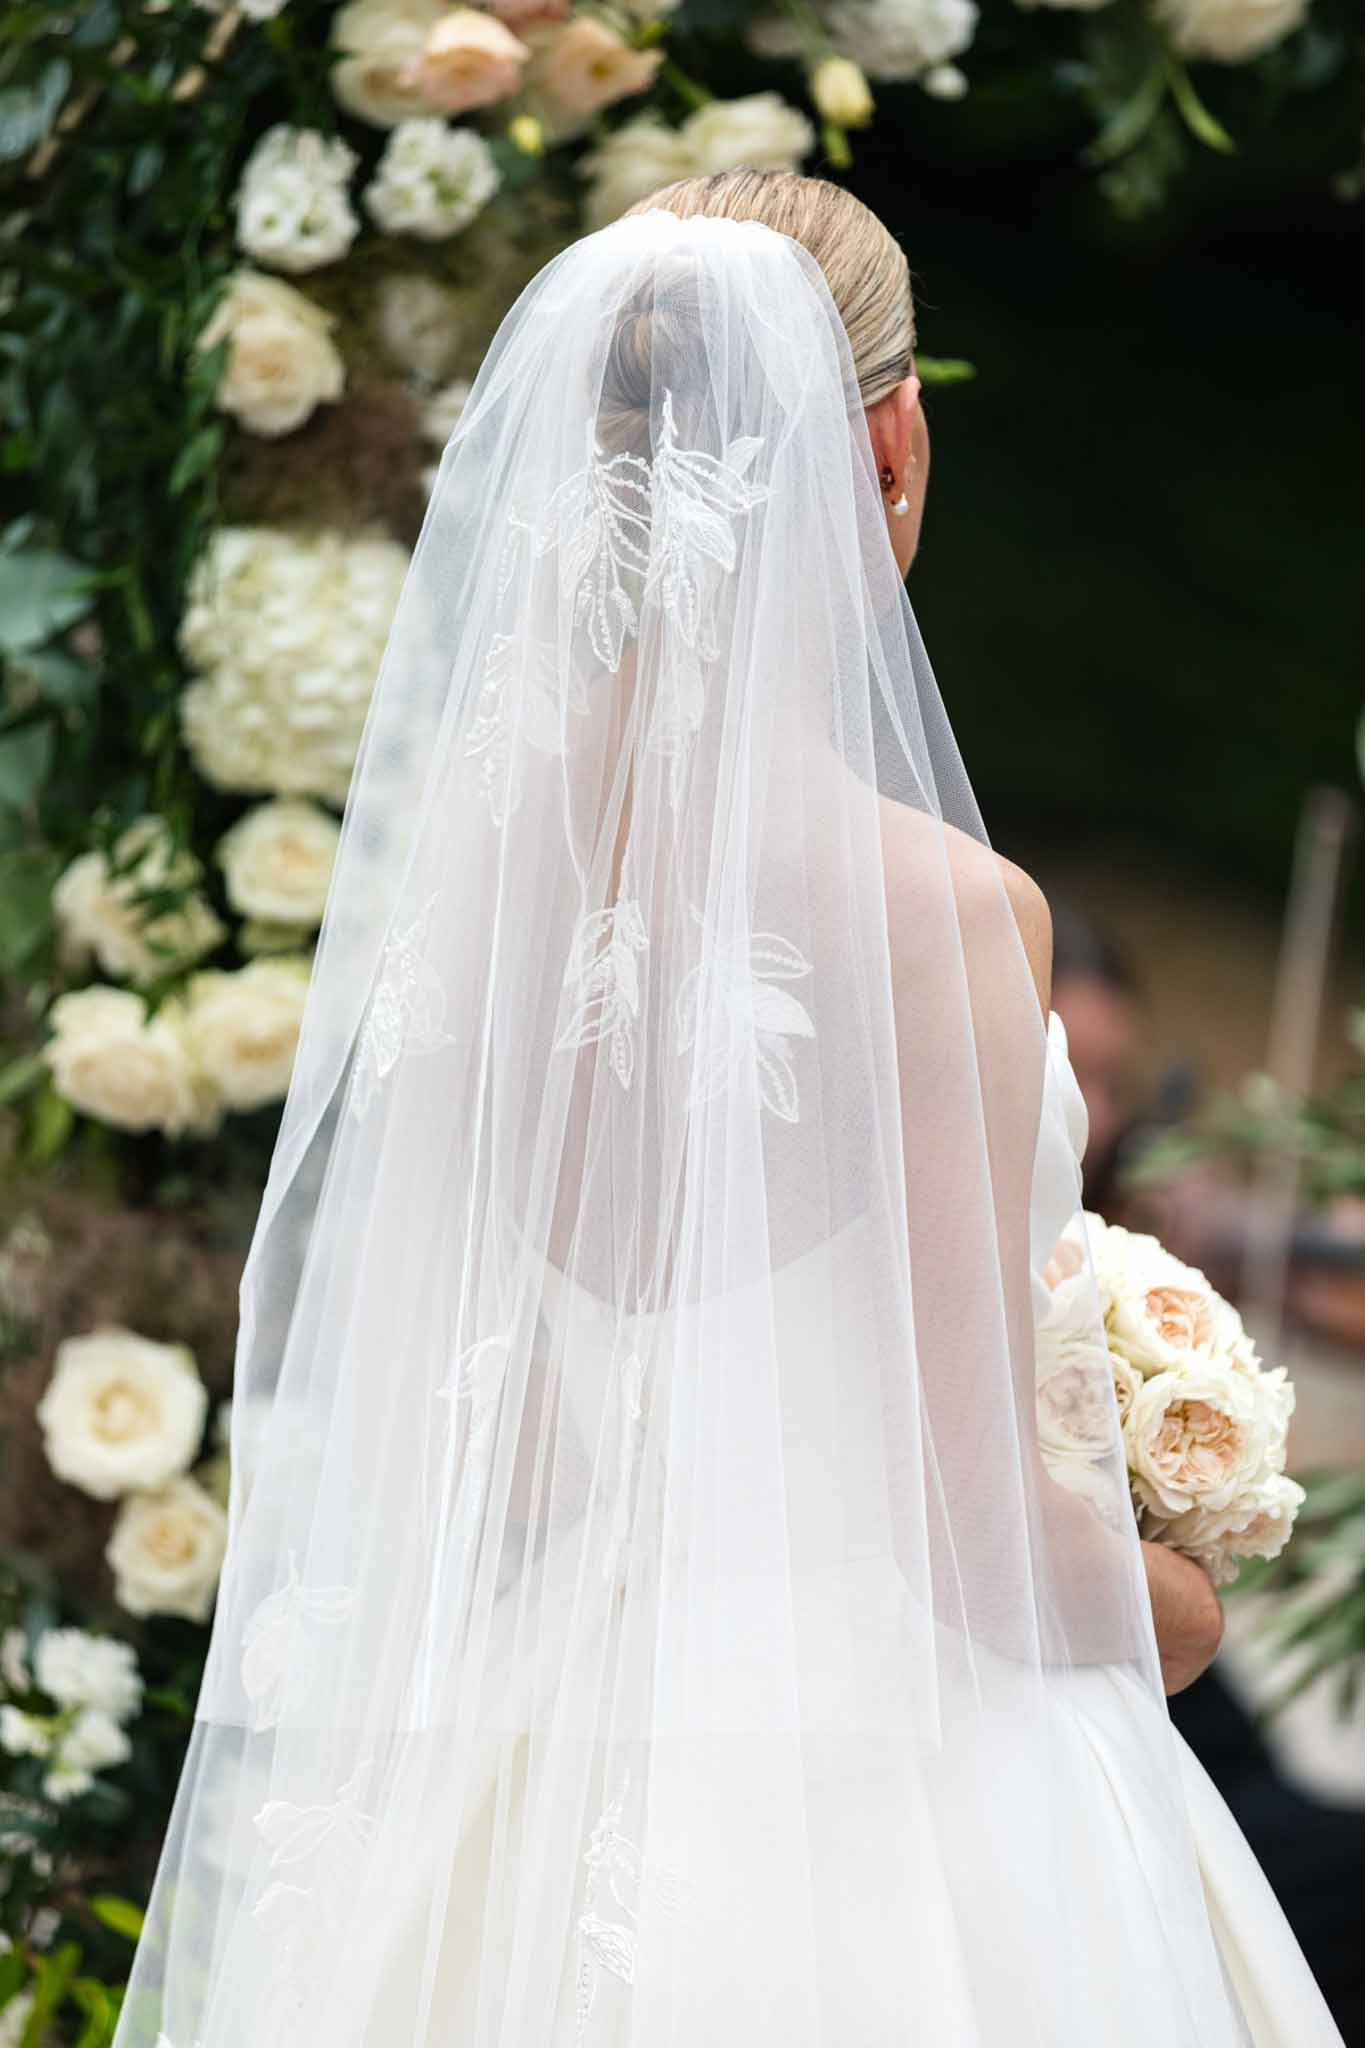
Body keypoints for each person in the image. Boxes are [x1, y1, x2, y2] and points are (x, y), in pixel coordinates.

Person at [111, 176, 1344, 2047]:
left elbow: (509, 1429)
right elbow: (968, 1528)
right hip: (889, 1783)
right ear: (892, 440)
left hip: (549, 1742)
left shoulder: (474, 891)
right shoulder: (941, 916)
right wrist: (1177, 1598)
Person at [1050, 904, 1365, 2045]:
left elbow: (1291, 1273)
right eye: (1067, 1071)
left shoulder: (1128, 1230)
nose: (1095, 1117)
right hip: (1106, 1711)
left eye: (1114, 1079)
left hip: (1181, 1709)